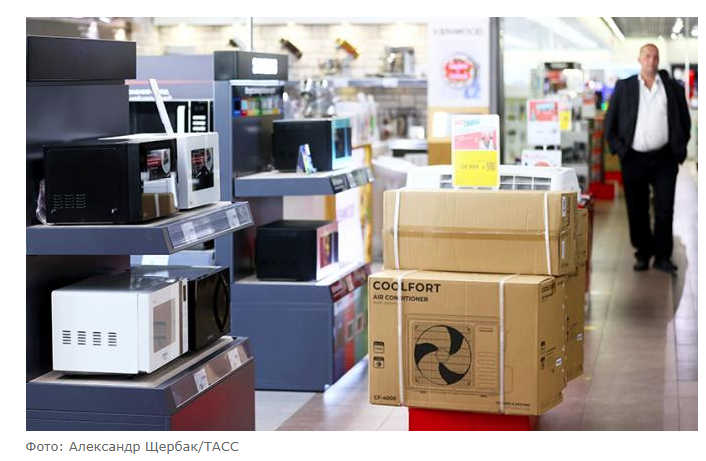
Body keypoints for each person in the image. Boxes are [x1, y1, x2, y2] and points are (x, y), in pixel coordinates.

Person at [605, 43, 691, 274]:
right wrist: (620, 150)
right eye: (647, 56)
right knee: (637, 209)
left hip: (664, 158)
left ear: (658, 60)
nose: (651, 61)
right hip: (633, 158)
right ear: (639, 59)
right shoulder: (624, 87)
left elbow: (684, 121)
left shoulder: (672, 88)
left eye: (655, 57)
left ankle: (662, 256)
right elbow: (610, 122)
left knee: (664, 208)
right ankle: (643, 253)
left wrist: (679, 147)